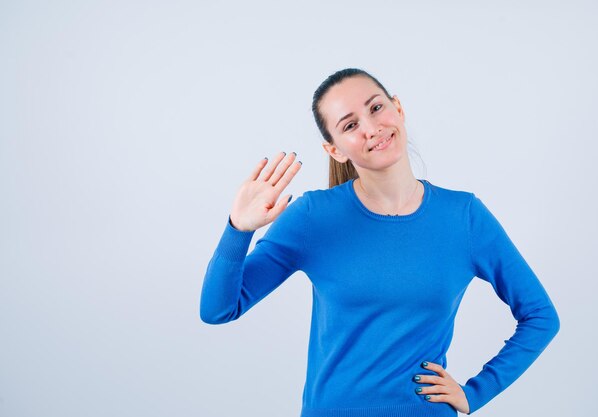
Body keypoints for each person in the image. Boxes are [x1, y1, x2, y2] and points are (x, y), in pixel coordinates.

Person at [199, 68, 560, 417]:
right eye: (350, 125)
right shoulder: (312, 216)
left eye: (376, 108)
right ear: (335, 149)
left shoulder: (464, 216)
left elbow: (541, 316)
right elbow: (218, 310)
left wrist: (474, 394)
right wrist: (238, 230)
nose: (372, 128)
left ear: (398, 108)